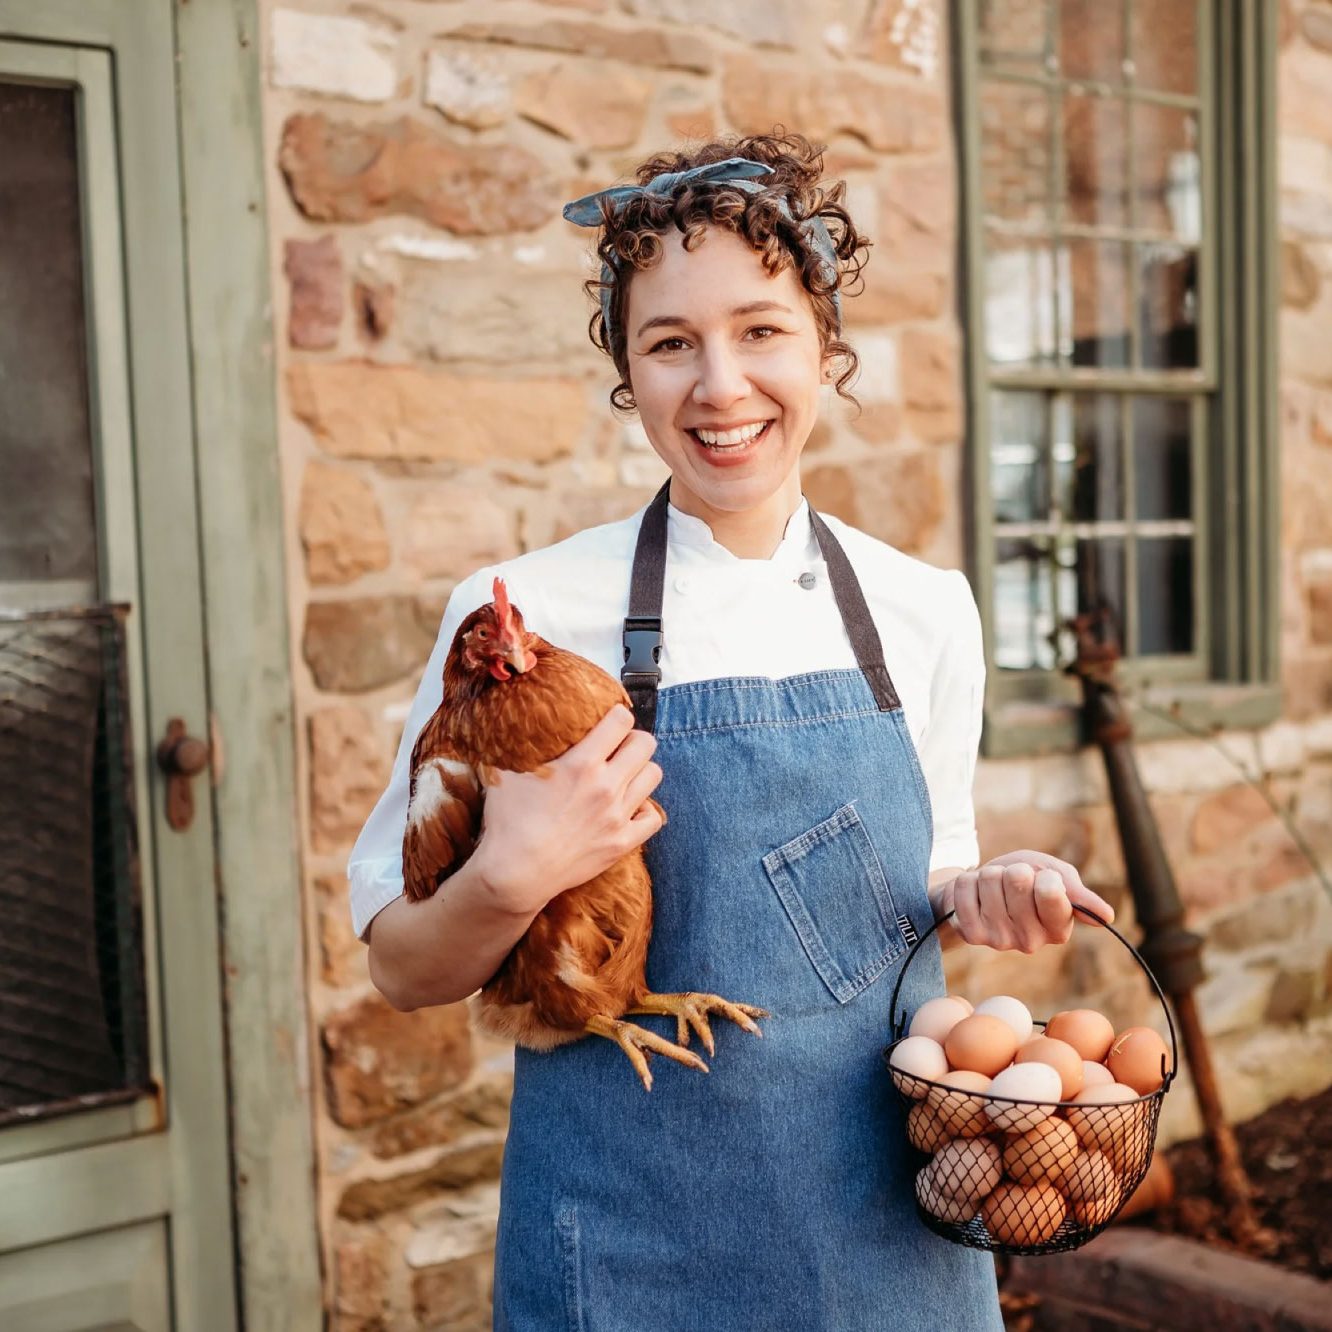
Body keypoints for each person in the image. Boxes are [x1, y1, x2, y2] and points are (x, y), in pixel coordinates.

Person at [348, 132, 1114, 1332]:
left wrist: (990, 888)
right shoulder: (524, 619)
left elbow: (923, 886)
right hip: (628, 1249)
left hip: (882, 1250)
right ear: (627, 371)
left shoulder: (923, 608)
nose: (719, 386)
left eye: (761, 330)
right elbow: (402, 967)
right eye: (669, 344)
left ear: (824, 345)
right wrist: (510, 875)